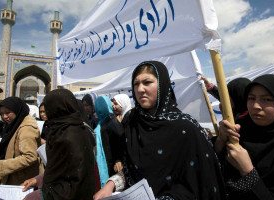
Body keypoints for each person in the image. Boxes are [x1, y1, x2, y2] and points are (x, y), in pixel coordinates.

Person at [94, 61, 225, 200]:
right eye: (136, 84)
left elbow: (203, 182)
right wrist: (112, 184)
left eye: (147, 82)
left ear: (162, 85)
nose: (140, 89)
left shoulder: (186, 128)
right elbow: (130, 170)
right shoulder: (131, 123)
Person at [22, 89, 96, 200]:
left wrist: (40, 196)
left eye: (48, 109)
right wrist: (39, 180)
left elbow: (76, 182)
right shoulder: (63, 131)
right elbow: (60, 171)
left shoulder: (70, 136)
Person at [0, 97, 43, 185]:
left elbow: (29, 157)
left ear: (17, 110)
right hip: (14, 177)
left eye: (8, 113)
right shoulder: (13, 125)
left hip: (24, 180)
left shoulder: (27, 128)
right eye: (2, 113)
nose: (4, 117)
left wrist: (0, 165)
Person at [94, 96, 124, 188]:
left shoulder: (107, 124)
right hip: (113, 168)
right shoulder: (109, 122)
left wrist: (118, 160)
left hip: (112, 168)